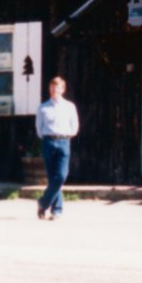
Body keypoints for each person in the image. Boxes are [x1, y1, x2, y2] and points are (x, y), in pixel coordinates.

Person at [35, 76, 79, 221]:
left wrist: (67, 135)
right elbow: (39, 128)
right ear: (50, 89)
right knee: (52, 177)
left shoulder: (69, 106)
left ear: (63, 89)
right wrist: (47, 138)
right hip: (48, 142)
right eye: (52, 87)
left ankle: (43, 203)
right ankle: (56, 211)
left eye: (58, 87)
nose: (54, 90)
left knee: (61, 176)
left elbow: (75, 126)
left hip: (64, 142)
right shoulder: (43, 107)